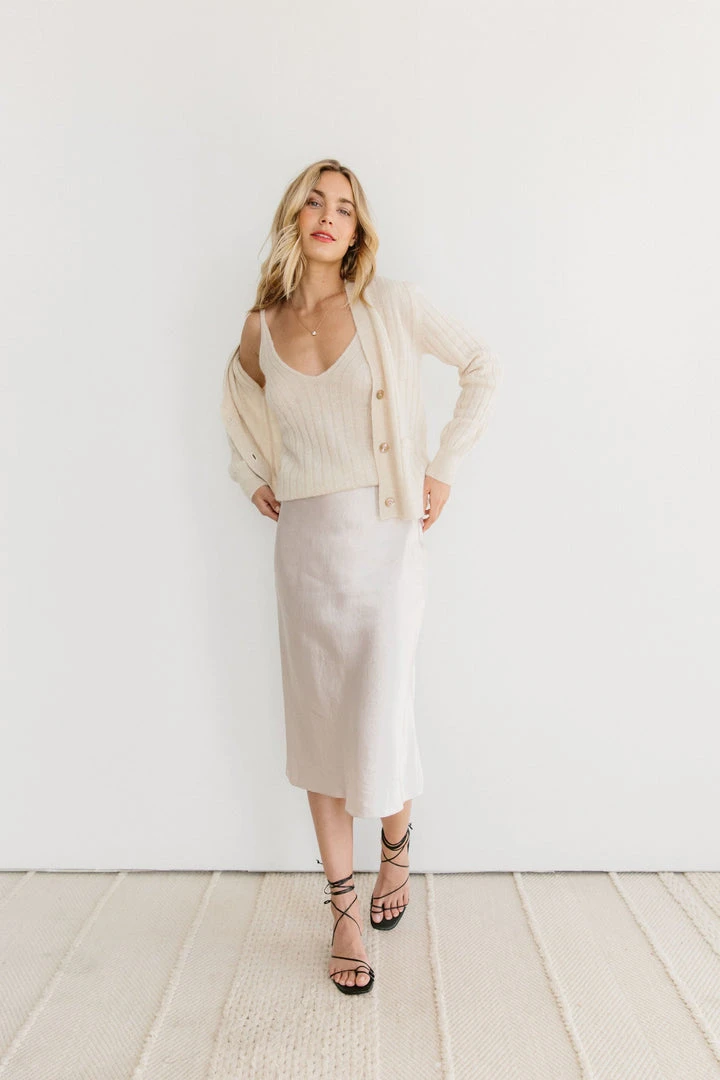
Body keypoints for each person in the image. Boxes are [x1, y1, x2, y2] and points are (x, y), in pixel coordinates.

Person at [220, 158, 501, 995]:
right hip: (306, 548)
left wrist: (443, 468)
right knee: (319, 724)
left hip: (385, 540)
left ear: (357, 230)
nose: (328, 215)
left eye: (344, 207)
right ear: (294, 216)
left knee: (383, 706)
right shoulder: (260, 326)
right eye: (315, 200)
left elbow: (482, 363)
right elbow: (237, 402)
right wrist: (252, 472)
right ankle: (343, 908)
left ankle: (397, 849)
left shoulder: (391, 306)